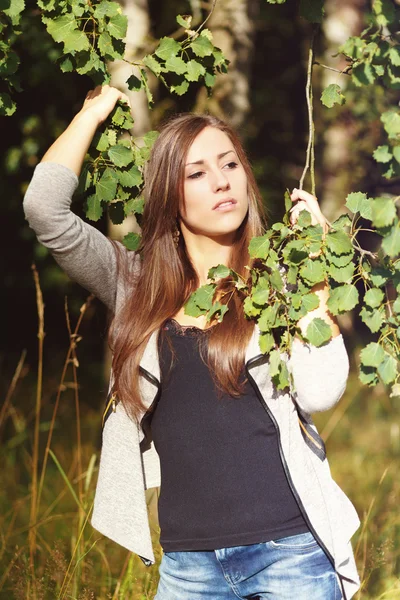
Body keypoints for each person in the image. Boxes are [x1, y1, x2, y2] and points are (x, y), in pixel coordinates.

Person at [23, 85, 360, 600]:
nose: (222, 182)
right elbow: (45, 210)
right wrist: (93, 112)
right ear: (169, 194)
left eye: (229, 164)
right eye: (196, 173)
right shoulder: (138, 285)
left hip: (291, 556)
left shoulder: (278, 284)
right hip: (188, 568)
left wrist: (313, 282)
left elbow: (320, 393)